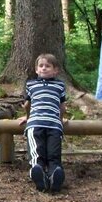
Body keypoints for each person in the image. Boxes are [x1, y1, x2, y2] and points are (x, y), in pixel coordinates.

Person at [17, 54, 68, 193]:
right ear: (36, 70)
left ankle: (54, 174)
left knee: (51, 154)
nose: (44, 68)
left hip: (52, 125)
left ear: (55, 70)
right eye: (41, 66)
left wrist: (60, 120)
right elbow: (27, 105)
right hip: (36, 123)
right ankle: (41, 173)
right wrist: (28, 118)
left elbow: (62, 107)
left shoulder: (60, 85)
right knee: (40, 153)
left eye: (48, 66)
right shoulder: (31, 84)